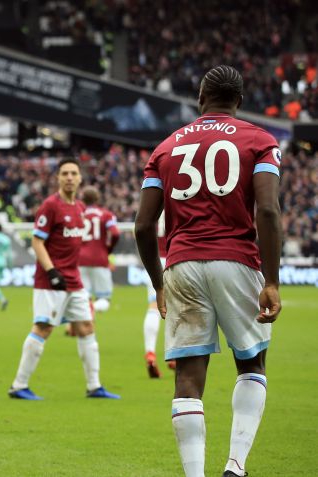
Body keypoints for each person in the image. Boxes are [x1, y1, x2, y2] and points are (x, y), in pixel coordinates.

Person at [135, 65, 282, 477]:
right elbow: (268, 211)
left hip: (181, 263)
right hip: (237, 260)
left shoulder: (165, 148)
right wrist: (271, 280)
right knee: (251, 363)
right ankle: (235, 465)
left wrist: (158, 283)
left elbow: (143, 226)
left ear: (200, 98)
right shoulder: (260, 141)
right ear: (240, 101)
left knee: (188, 376)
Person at [7, 157, 120, 401]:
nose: (69, 177)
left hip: (74, 280)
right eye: (65, 173)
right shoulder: (50, 206)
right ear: (57, 178)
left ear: (80, 178)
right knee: (43, 328)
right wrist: (51, 271)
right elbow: (37, 241)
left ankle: (94, 386)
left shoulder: (79, 208)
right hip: (51, 280)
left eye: (73, 173)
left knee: (86, 327)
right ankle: (18, 385)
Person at [78, 186, 120, 313]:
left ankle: (85, 317)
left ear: (82, 199)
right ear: (97, 199)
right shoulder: (106, 215)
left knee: (83, 297)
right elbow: (115, 233)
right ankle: (91, 309)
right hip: (99, 258)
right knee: (104, 299)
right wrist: (109, 248)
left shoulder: (78, 214)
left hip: (79, 260)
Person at [142, 215, 173, 378]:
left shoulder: (152, 204)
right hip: (175, 257)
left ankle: (150, 353)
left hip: (154, 260)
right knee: (181, 306)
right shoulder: (179, 201)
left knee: (154, 306)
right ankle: (176, 354)